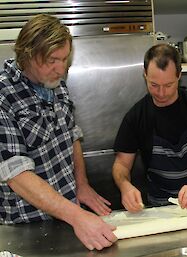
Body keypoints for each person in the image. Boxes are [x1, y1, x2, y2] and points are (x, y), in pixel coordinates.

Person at [0, 14, 117, 250]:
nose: (61, 69)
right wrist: (77, 216)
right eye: (53, 60)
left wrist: (81, 184)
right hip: (28, 226)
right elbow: (16, 174)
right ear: (28, 55)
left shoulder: (56, 84)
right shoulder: (4, 96)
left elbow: (71, 135)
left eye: (65, 59)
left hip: (68, 214)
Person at [112, 44, 187, 212]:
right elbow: (121, 165)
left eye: (168, 85)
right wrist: (125, 186)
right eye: (154, 85)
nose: (161, 93)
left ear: (179, 76)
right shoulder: (136, 116)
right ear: (145, 75)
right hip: (160, 204)